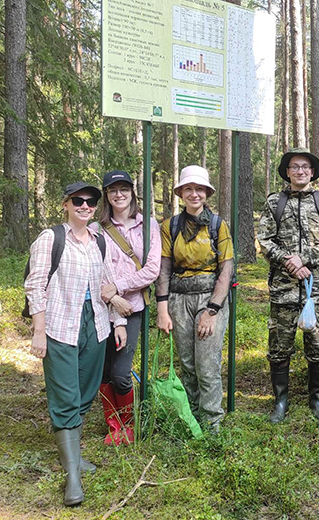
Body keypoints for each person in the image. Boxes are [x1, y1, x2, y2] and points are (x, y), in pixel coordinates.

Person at [26, 182, 131, 506]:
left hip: (95, 324)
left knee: (86, 390)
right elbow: (35, 286)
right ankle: (73, 474)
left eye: (90, 202)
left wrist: (119, 322)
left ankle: (75, 456)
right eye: (78, 201)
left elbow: (105, 283)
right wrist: (39, 331)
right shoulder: (51, 238)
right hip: (60, 324)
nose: (85, 206)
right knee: (65, 395)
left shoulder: (99, 240)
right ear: (66, 204)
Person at [257, 148, 319, 422]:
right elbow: (265, 240)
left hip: (316, 290)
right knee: (279, 345)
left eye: (305, 167)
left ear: (313, 172)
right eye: (295, 167)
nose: (300, 171)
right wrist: (289, 262)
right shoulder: (274, 203)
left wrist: (303, 258)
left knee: (317, 344)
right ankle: (281, 400)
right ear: (287, 172)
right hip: (283, 288)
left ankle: (316, 399)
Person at [156, 165, 234, 432]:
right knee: (187, 363)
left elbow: (226, 269)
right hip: (178, 299)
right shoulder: (170, 226)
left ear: (206, 193)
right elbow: (164, 268)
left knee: (207, 364)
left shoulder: (217, 225)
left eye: (198, 189)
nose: (194, 194)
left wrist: (212, 310)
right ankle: (192, 419)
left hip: (209, 298)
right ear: (180, 193)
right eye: (188, 189)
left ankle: (213, 423)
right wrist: (162, 309)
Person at [96, 170, 161, 446]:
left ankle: (129, 426)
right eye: (112, 190)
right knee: (102, 372)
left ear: (132, 192)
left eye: (123, 189)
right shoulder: (98, 228)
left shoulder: (148, 225)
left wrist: (119, 288)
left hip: (132, 307)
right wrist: (111, 297)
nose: (118, 194)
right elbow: (97, 269)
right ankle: (114, 427)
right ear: (106, 195)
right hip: (101, 308)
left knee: (121, 374)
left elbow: (152, 270)